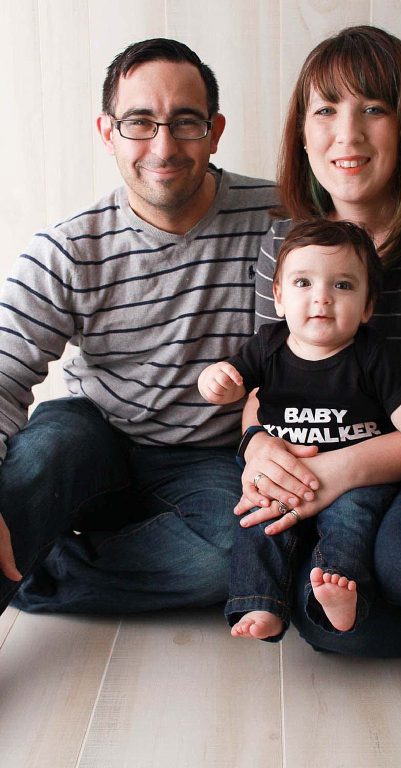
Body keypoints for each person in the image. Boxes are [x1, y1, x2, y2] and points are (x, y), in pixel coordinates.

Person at [235, 26, 401, 656]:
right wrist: (258, 449)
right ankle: (346, 607)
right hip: (320, 469)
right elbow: (264, 380)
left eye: (374, 110)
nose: (347, 135)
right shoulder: (285, 244)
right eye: (326, 110)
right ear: (302, 133)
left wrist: (335, 472)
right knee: (310, 603)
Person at [0, 38, 277, 614]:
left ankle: (37, 569)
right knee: (34, 465)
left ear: (215, 130)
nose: (164, 145)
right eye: (140, 122)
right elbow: (2, 375)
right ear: (108, 132)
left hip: (208, 458)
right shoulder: (68, 247)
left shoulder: (279, 220)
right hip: (92, 435)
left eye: (185, 123)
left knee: (231, 557)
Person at [199, 219, 401, 640]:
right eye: (303, 283)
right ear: (278, 297)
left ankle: (337, 595)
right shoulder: (267, 345)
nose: (322, 298)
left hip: (356, 485)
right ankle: (259, 602)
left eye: (342, 286)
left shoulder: (372, 357)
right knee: (257, 525)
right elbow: (233, 387)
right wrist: (215, 383)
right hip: (282, 472)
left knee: (351, 526)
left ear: (367, 307)